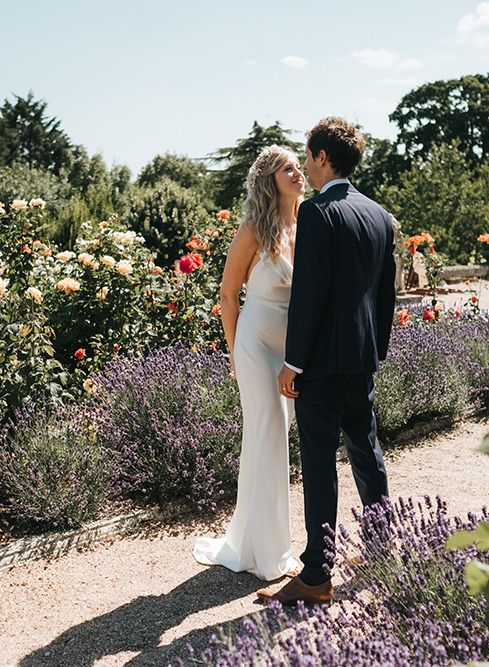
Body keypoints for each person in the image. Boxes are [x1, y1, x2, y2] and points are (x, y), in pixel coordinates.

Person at [259, 117, 396, 604]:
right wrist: (373, 351)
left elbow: (309, 296)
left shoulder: (319, 213)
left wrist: (293, 362)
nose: (308, 168)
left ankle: (316, 575)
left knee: (319, 462)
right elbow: (386, 296)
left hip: (319, 364)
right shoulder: (379, 214)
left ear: (321, 157)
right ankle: (383, 549)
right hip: (361, 359)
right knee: (366, 449)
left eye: (308, 157)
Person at [192, 145, 305, 581]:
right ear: (269, 180)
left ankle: (253, 538)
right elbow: (227, 294)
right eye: (287, 169)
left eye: (298, 166)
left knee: (270, 439)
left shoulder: (308, 223)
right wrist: (235, 350)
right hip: (255, 343)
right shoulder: (254, 228)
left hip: (291, 351)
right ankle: (268, 552)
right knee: (268, 432)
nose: (297, 173)